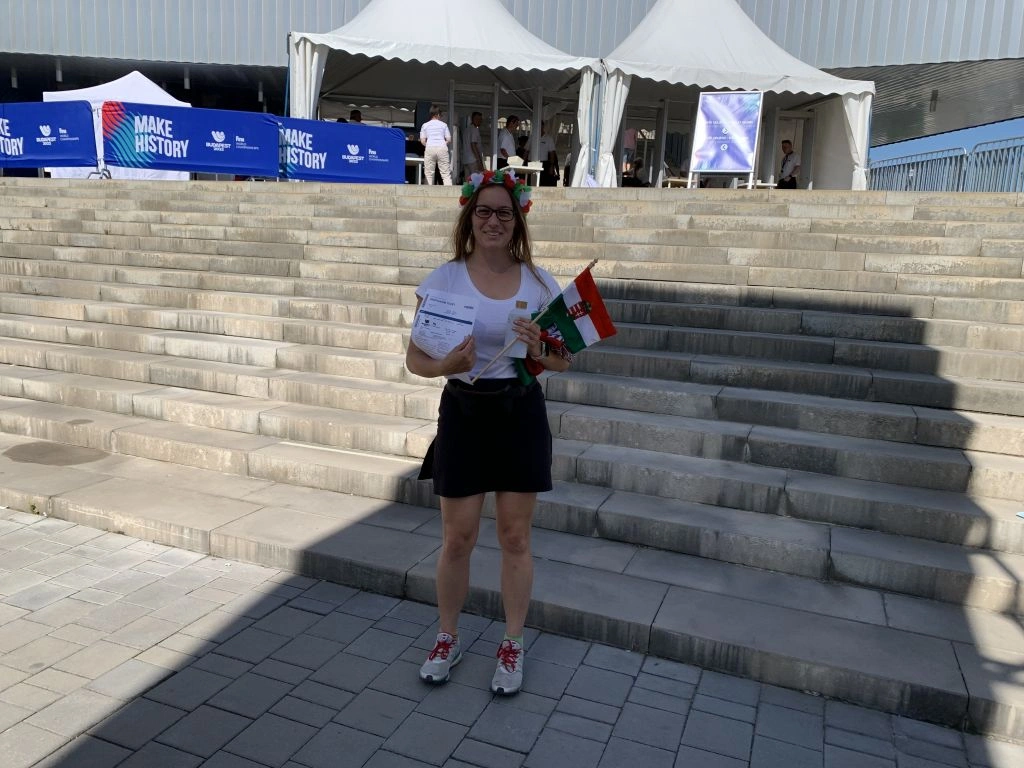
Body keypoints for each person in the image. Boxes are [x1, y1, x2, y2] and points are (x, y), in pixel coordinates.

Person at [408, 169, 572, 695]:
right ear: (469, 217)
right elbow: (415, 359)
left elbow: (562, 360)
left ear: (518, 219)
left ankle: (512, 641)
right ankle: (447, 636)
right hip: (464, 412)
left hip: (520, 412)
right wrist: (445, 365)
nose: (493, 221)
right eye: (484, 211)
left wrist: (539, 349)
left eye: (504, 212)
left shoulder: (541, 282)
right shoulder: (444, 280)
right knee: (457, 538)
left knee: (515, 537)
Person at [420, 107, 453, 185]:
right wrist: (443, 143)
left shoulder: (425, 125)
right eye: (440, 115)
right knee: (445, 174)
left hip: (430, 147)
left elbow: (422, 141)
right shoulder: (444, 125)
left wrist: (428, 145)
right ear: (438, 114)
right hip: (442, 147)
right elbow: (449, 139)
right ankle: (449, 192)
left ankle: (427, 192)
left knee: (428, 174)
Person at [461, 111, 484, 179]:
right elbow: (473, 144)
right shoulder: (474, 129)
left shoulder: (466, 130)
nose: (479, 121)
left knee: (468, 180)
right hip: (473, 160)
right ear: (472, 119)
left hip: (466, 159)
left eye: (480, 119)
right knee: (476, 180)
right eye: (477, 119)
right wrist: (479, 160)